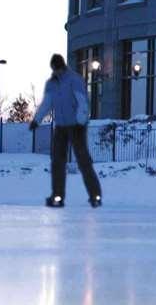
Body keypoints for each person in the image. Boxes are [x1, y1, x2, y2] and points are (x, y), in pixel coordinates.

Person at [29, 54, 102, 208]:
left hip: (76, 126)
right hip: (61, 127)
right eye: (55, 70)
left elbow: (83, 102)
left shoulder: (74, 80)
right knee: (57, 161)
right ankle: (57, 196)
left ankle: (95, 195)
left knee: (83, 161)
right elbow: (46, 104)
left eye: (59, 69)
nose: (57, 72)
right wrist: (37, 120)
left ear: (63, 67)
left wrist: (81, 121)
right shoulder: (51, 84)